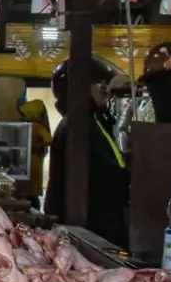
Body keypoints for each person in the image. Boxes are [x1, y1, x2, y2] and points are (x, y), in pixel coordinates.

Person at [45, 56, 130, 248]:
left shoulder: (91, 122)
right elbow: (107, 175)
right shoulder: (80, 126)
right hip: (93, 230)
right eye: (100, 83)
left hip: (98, 227)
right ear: (80, 87)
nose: (106, 90)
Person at [18, 97, 52, 210]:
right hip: (30, 162)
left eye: (24, 114)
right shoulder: (31, 126)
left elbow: (49, 140)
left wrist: (35, 146)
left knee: (31, 192)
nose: (22, 116)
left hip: (33, 163)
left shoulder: (37, 127)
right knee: (31, 191)